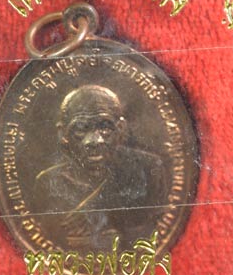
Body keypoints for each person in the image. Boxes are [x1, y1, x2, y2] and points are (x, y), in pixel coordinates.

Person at [32, 85, 167, 253]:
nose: (95, 141)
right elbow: (48, 237)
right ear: (63, 134)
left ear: (120, 128)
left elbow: (154, 231)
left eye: (104, 127)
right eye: (81, 128)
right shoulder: (48, 182)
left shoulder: (148, 169)